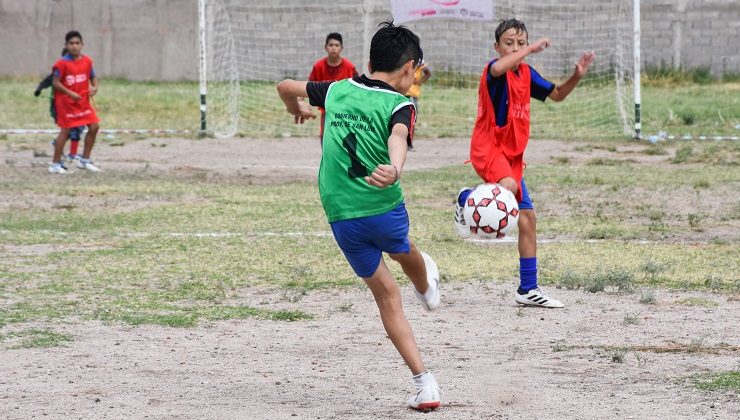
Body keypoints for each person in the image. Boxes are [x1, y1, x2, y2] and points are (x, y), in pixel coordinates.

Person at [277, 21, 442, 411]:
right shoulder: (401, 103)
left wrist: (297, 108)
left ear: (369, 60)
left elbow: (285, 86)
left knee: (386, 294)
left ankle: (425, 383)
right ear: (409, 68)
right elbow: (398, 138)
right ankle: (427, 289)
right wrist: (395, 169)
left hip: (341, 214)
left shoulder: (336, 89)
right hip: (383, 207)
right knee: (405, 251)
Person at [454, 19, 595, 308]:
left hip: (512, 156)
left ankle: (528, 289)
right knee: (506, 187)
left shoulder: (526, 74)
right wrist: (529, 48)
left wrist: (576, 76)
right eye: (509, 43)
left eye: (520, 43)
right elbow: (498, 67)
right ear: (497, 47)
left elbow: (557, 95)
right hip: (489, 148)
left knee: (528, 219)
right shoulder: (494, 71)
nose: (516, 48)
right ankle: (466, 199)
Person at [49, 30, 101, 174]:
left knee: (94, 126)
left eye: (77, 43)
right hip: (66, 103)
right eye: (71, 43)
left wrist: (95, 87)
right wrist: (70, 93)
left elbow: (93, 77)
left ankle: (84, 160)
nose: (74, 46)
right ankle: (55, 164)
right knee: (65, 132)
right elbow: (56, 83)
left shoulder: (87, 61)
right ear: (66, 45)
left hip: (82, 102)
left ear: (82, 45)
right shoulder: (61, 63)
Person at [35, 47, 85, 162]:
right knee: (71, 128)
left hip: (74, 105)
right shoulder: (57, 73)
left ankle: (66, 149)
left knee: (78, 127)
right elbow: (45, 82)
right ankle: (70, 153)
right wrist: (39, 89)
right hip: (59, 107)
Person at [308, 33, 358, 141]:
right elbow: (309, 85)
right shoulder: (318, 66)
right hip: (327, 110)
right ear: (325, 47)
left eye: (337, 45)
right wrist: (301, 102)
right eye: (331, 45)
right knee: (325, 137)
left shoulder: (349, 67)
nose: (333, 48)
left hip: (346, 112)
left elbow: (357, 88)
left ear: (341, 48)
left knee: (345, 139)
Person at [404, 60, 431, 149]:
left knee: (412, 120)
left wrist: (419, 82)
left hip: (412, 94)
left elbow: (428, 73)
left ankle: (409, 143)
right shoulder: (402, 57)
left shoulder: (419, 60)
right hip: (401, 93)